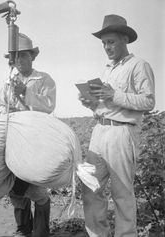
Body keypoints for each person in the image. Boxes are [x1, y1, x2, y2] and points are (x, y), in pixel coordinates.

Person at [79, 15, 155, 237]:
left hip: (122, 133)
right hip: (99, 131)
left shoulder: (139, 65)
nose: (106, 47)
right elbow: (104, 106)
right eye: (104, 43)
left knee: (121, 193)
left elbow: (149, 101)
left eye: (111, 41)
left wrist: (115, 94)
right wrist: (91, 103)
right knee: (90, 187)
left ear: (125, 39)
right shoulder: (107, 70)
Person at [0, 33, 56, 237]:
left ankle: (41, 232)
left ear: (32, 56)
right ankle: (23, 229)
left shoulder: (44, 79)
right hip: (14, 142)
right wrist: (6, 112)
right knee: (16, 188)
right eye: (15, 57)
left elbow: (48, 107)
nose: (19, 60)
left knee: (37, 189)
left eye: (23, 55)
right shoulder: (7, 82)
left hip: (36, 142)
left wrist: (25, 94)